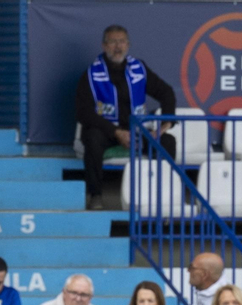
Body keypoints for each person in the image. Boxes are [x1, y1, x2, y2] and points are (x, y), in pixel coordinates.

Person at [75, 24, 176, 210]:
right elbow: (83, 112)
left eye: (121, 42)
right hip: (107, 132)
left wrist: (166, 125)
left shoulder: (139, 68)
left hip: (137, 130)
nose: (118, 47)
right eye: (113, 42)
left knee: (167, 141)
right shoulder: (91, 74)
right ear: (104, 46)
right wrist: (116, 132)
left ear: (128, 45)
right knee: (92, 138)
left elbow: (167, 93)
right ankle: (95, 196)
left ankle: (163, 198)